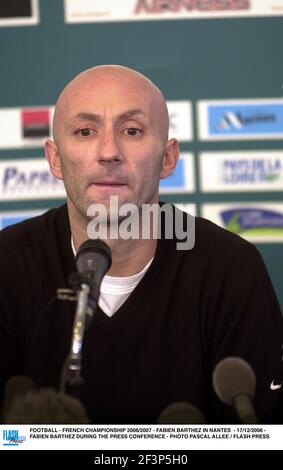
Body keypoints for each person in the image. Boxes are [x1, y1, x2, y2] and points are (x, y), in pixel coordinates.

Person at [0, 65, 282, 424]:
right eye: (85, 131)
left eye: (131, 131)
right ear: (55, 158)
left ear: (168, 158)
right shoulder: (7, 266)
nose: (108, 152)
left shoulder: (231, 270)